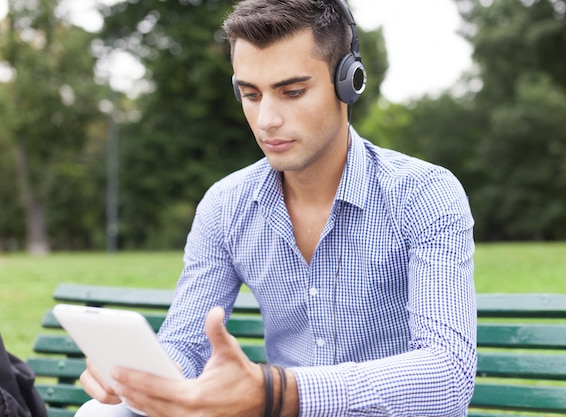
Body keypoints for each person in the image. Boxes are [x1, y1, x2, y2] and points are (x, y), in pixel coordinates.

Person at [76, 0, 477, 416]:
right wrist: (138, 377)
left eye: (292, 92)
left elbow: (449, 373)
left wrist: (280, 391)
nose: (266, 119)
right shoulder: (225, 205)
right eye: (250, 94)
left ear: (348, 82)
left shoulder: (424, 193)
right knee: (102, 413)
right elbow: (185, 345)